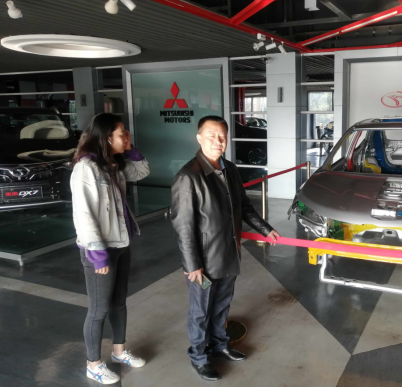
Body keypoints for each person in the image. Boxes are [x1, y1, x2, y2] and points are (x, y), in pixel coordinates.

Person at [171, 116, 280, 382]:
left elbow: (244, 206)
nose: (218, 141)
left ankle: (220, 344)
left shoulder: (229, 168)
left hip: (229, 252)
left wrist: (265, 228)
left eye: (222, 136)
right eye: (211, 135)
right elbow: (183, 226)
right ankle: (199, 357)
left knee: (221, 305)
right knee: (201, 311)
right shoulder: (188, 176)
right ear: (199, 138)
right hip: (204, 261)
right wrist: (192, 264)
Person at [71, 113, 150, 385]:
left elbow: (141, 171)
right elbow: (84, 215)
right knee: (99, 309)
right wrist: (97, 254)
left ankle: (119, 351)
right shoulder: (86, 168)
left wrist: (129, 148)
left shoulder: (112, 165)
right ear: (106, 138)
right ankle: (93, 365)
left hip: (121, 243)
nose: (126, 136)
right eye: (121, 133)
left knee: (119, 303)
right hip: (100, 251)